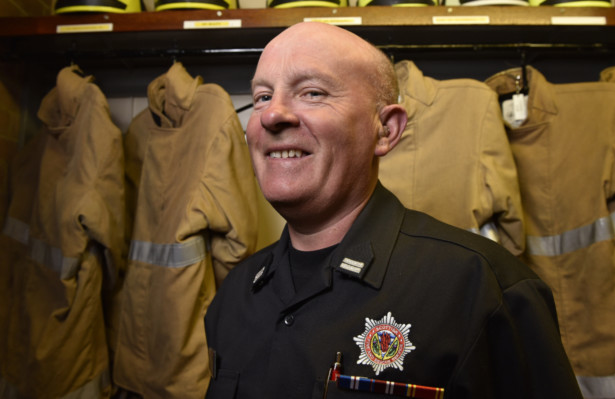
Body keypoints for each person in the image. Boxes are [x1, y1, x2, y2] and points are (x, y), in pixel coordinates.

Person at [204, 21, 583, 398]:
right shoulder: (234, 298)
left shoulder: (483, 290)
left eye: (312, 92)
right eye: (262, 97)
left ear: (385, 130)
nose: (272, 115)